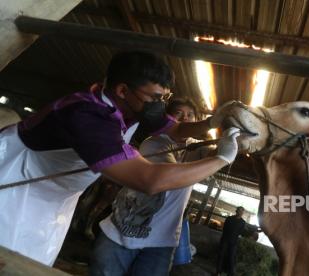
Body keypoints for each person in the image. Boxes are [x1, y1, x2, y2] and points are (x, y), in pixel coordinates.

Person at [0, 51, 239, 265]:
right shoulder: (87, 116)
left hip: (56, 195)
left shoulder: (132, 105)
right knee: (10, 259)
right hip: (16, 184)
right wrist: (222, 158)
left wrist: (212, 122)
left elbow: (176, 130)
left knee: (33, 261)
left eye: (165, 98)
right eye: (156, 97)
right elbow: (149, 180)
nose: (160, 105)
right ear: (123, 90)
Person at [90, 98, 208, 275]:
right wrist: (221, 159)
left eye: (190, 115)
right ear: (168, 119)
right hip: (123, 232)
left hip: (161, 243)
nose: (185, 118)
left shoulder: (197, 148)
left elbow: (215, 151)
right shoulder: (155, 142)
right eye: (179, 114)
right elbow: (166, 176)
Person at [216, 207, 247, 276]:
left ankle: (230, 273)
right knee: (221, 255)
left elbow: (241, 232)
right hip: (225, 240)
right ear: (236, 211)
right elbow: (224, 229)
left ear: (242, 213)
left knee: (231, 257)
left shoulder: (243, 222)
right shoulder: (229, 218)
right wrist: (223, 238)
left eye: (242, 212)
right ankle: (218, 272)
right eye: (239, 211)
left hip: (233, 242)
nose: (240, 213)